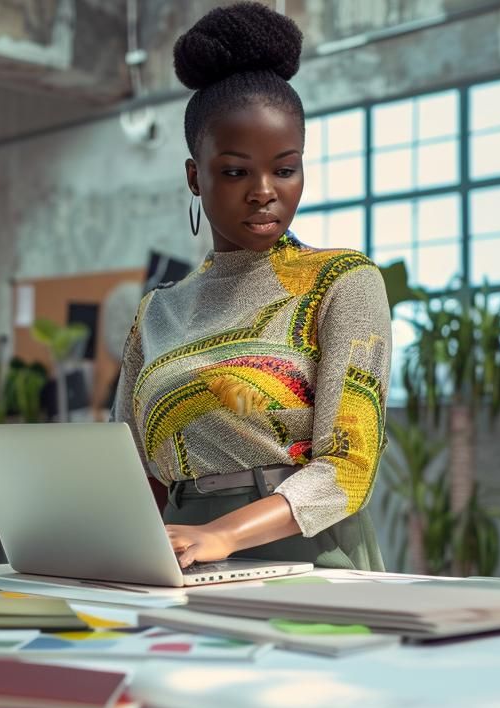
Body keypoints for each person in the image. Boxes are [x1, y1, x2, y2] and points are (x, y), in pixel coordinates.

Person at [113, 3, 391, 572]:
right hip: (179, 556)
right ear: (196, 176)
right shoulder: (157, 313)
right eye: (237, 171)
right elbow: (129, 464)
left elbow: (349, 463)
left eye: (285, 169)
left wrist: (223, 534)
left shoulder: (341, 282)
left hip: (307, 553)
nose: (265, 191)